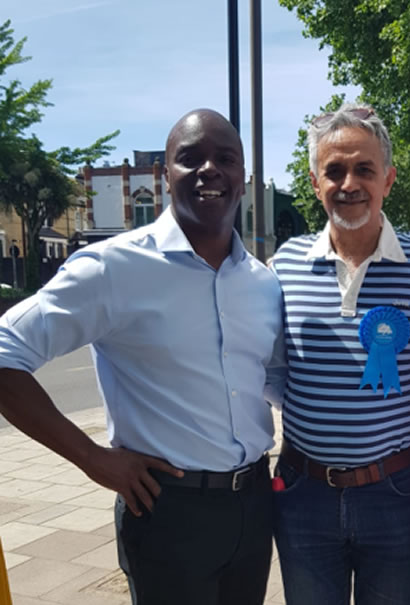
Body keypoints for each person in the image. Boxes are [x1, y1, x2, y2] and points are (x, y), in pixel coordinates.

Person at [0, 109, 284, 605]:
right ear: (166, 176)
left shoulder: (261, 282)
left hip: (254, 505)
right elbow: (6, 352)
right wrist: (91, 458)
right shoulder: (114, 268)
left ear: (243, 178)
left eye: (225, 158)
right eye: (189, 159)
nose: (209, 170)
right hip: (167, 513)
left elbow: (275, 380)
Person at [267, 104, 410, 605]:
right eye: (334, 171)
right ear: (315, 183)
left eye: (364, 169)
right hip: (302, 490)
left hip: (394, 491)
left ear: (389, 180)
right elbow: (268, 366)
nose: (349, 182)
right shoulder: (284, 264)